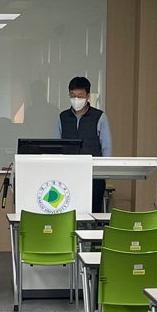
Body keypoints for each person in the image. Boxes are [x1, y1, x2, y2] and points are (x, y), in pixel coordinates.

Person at [56, 76, 112, 212]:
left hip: (93, 177)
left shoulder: (99, 117)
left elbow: (107, 150)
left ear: (87, 96)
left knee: (93, 214)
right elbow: (56, 147)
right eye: (72, 96)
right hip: (68, 177)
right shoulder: (62, 117)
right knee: (69, 214)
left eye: (80, 96)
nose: (76, 99)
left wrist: (103, 172)